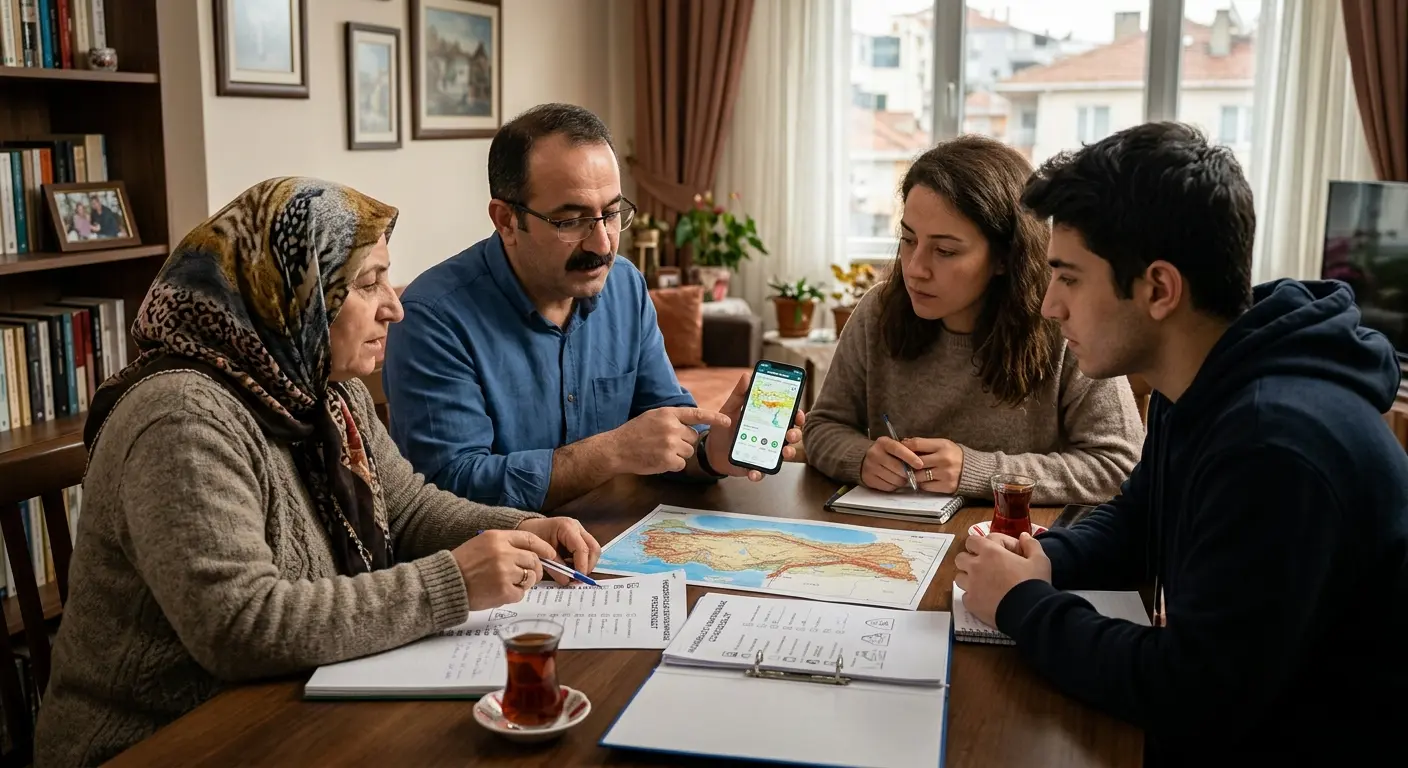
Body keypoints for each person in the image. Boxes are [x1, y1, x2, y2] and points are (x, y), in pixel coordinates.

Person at [34, 178, 601, 767]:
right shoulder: (182, 418)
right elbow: (240, 626)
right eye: (367, 283)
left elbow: (407, 509)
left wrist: (523, 528)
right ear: (293, 292)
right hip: (162, 741)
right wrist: (451, 583)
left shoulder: (325, 390)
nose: (395, 306)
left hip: (290, 706)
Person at [954, 123, 1408, 765]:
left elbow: (1191, 694)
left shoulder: (1274, 444)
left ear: (1159, 290)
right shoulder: (1200, 378)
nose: (1050, 306)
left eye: (1069, 278)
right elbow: (1141, 519)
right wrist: (1044, 558)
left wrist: (1021, 602)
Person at [383, 103, 802, 512]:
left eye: (612, 213)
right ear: (507, 221)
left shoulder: (625, 285)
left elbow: (663, 422)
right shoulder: (431, 318)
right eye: (571, 221)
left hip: (614, 537)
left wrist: (711, 451)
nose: (602, 244)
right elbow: (451, 490)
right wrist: (610, 452)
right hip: (502, 553)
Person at [804, 136, 1142, 505]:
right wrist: (861, 457)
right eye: (908, 239)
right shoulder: (878, 311)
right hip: (893, 530)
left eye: (945, 251)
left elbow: (1120, 466)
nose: (915, 269)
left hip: (1017, 536)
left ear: (1004, 258)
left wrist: (977, 471)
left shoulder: (1063, 322)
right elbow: (822, 426)